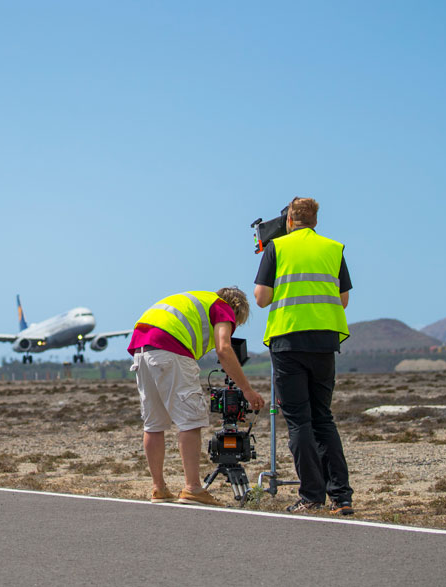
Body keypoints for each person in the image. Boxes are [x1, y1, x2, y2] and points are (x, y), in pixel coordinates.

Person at [253, 197, 354, 515]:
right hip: (325, 341)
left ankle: (312, 495)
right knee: (324, 418)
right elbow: (344, 300)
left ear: (289, 221)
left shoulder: (277, 248)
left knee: (300, 423)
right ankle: (341, 496)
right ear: (315, 221)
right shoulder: (333, 249)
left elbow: (261, 298)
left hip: (288, 342)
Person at [128, 287, 265, 506]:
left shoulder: (195, 300)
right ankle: (193, 488)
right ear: (236, 310)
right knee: (190, 420)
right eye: (235, 324)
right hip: (171, 347)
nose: (232, 327)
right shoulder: (222, 307)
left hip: (142, 347)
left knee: (154, 423)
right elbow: (223, 348)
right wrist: (247, 390)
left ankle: (159, 488)